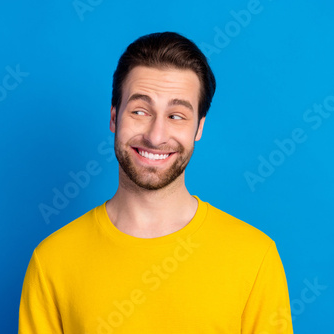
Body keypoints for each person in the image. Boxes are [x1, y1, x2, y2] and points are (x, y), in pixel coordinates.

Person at [19, 32, 293, 333]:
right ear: (114, 118)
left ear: (199, 128)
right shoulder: (52, 261)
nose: (156, 135)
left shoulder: (255, 257)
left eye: (176, 116)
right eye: (140, 111)